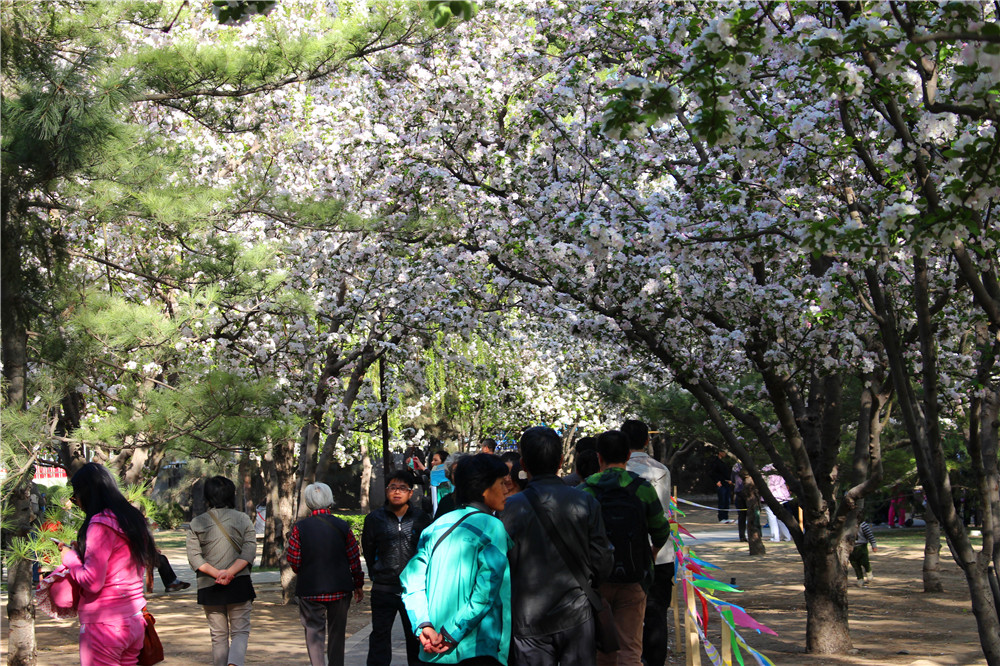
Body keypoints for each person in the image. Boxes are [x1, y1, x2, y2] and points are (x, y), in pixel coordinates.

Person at [501, 426, 613, 666]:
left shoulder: (508, 509)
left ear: (523, 463)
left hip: (527, 617)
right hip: (577, 614)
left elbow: (501, 565)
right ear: (561, 460)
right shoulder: (585, 501)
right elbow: (603, 559)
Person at [401, 453, 512, 665]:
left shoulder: (436, 526)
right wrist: (452, 633)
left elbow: (411, 580)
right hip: (477, 649)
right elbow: (485, 592)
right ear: (483, 489)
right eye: (501, 483)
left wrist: (424, 626)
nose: (506, 490)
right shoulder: (492, 526)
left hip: (433, 648)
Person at [581, 431, 671, 666]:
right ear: (629, 455)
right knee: (630, 648)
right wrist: (650, 556)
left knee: (601, 649)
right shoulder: (642, 488)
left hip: (597, 582)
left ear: (599, 457)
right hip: (634, 577)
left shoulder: (586, 491)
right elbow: (661, 529)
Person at [57, 463, 158, 666]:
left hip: (104, 623)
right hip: (135, 620)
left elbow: (92, 582)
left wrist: (69, 557)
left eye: (75, 498)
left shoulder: (100, 523)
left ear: (87, 494)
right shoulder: (132, 519)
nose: (77, 502)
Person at [287, 483, 364, 666]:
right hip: (340, 588)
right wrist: (358, 584)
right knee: (337, 635)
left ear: (308, 502)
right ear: (330, 500)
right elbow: (354, 558)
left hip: (310, 589)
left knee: (314, 635)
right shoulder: (343, 526)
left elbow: (294, 560)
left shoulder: (300, 528)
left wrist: (304, 570)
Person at [362, 470, 432, 666]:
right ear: (386, 491)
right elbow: (368, 549)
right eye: (393, 487)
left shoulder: (421, 518)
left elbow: (427, 550)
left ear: (411, 493)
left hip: (414, 590)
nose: (397, 492)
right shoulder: (374, 519)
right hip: (384, 587)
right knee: (379, 637)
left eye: (403, 488)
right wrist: (377, 572)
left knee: (415, 637)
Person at [186, 476, 257, 666]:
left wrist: (217, 574)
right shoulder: (243, 519)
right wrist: (230, 572)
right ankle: (234, 663)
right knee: (240, 631)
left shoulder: (196, 523)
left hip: (209, 585)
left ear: (207, 497)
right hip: (239, 583)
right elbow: (249, 551)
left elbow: (195, 557)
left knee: (218, 636)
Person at [622, 420, 675, 666]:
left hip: (626, 553)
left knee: (625, 615)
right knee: (657, 615)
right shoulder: (662, 470)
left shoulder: (621, 473)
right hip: (661, 552)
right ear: (647, 440)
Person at [761, 465, 793, 542]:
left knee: (772, 517)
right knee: (780, 517)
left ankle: (775, 537)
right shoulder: (780, 472)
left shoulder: (765, 473)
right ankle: (787, 536)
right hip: (781, 496)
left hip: (769, 497)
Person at [433, 452, 468, 521]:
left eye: (463, 471)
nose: (459, 475)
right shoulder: (446, 502)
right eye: (455, 472)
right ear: (450, 476)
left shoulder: (480, 501)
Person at [849, 520, 878, 586]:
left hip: (862, 546)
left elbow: (870, 536)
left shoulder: (863, 525)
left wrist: (874, 545)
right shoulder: (846, 524)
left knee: (865, 562)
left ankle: (869, 573)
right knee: (855, 564)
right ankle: (860, 578)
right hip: (850, 547)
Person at [709, 450, 734, 523]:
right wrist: (717, 481)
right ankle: (721, 517)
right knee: (722, 500)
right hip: (721, 483)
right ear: (720, 452)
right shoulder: (715, 461)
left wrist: (729, 479)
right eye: (724, 452)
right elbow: (711, 472)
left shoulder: (724, 462)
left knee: (727, 501)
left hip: (726, 483)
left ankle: (726, 517)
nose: (725, 454)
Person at [731, 462, 747, 542]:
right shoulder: (752, 463)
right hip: (747, 492)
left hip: (739, 491)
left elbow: (733, 480)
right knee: (751, 515)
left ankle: (742, 536)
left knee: (741, 516)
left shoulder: (736, 466)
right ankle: (755, 535)